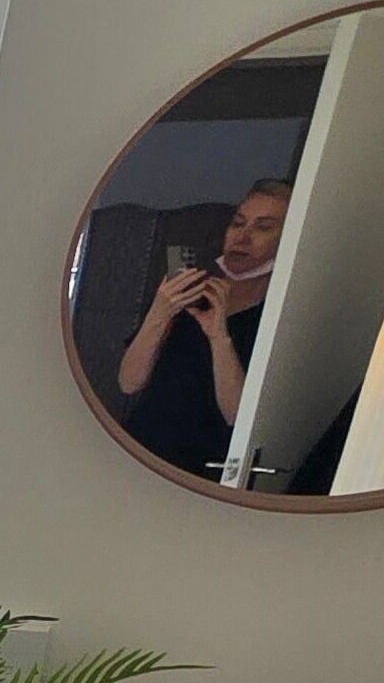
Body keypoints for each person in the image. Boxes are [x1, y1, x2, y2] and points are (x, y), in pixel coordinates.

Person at [117, 179, 290, 480]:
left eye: (263, 227)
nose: (243, 237)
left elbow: (239, 417)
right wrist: (159, 313)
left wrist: (219, 337)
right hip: (138, 456)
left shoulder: (278, 316)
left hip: (205, 474)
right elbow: (129, 382)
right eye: (238, 223)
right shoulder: (187, 294)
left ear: (287, 238)